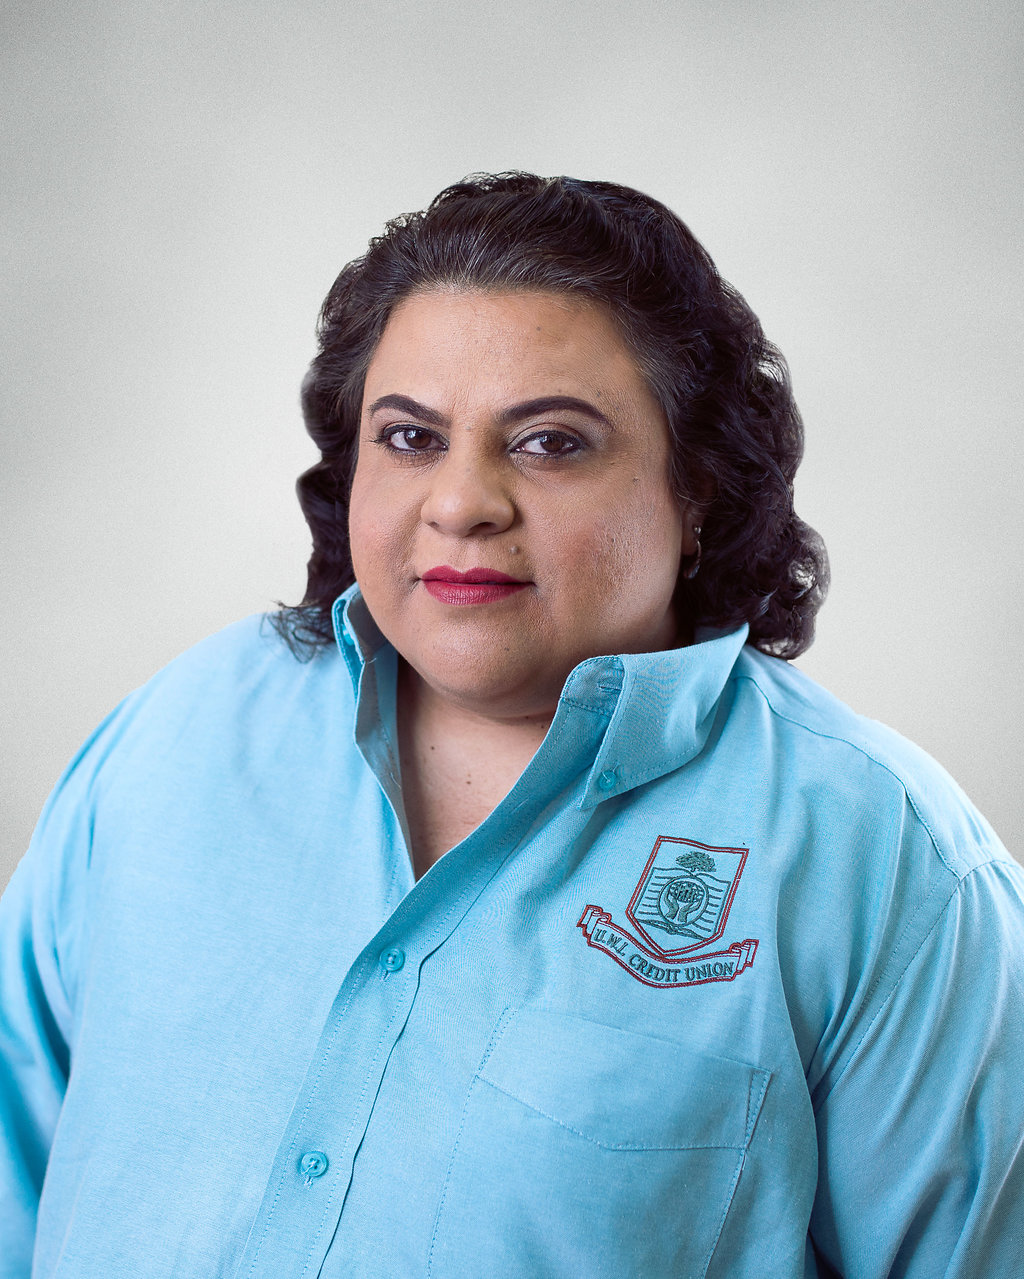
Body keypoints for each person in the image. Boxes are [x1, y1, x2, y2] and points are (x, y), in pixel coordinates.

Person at [1, 172, 1022, 1278]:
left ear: (699, 490)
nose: (460, 503)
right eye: (409, 437)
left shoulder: (879, 859)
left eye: (549, 443)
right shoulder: (175, 735)